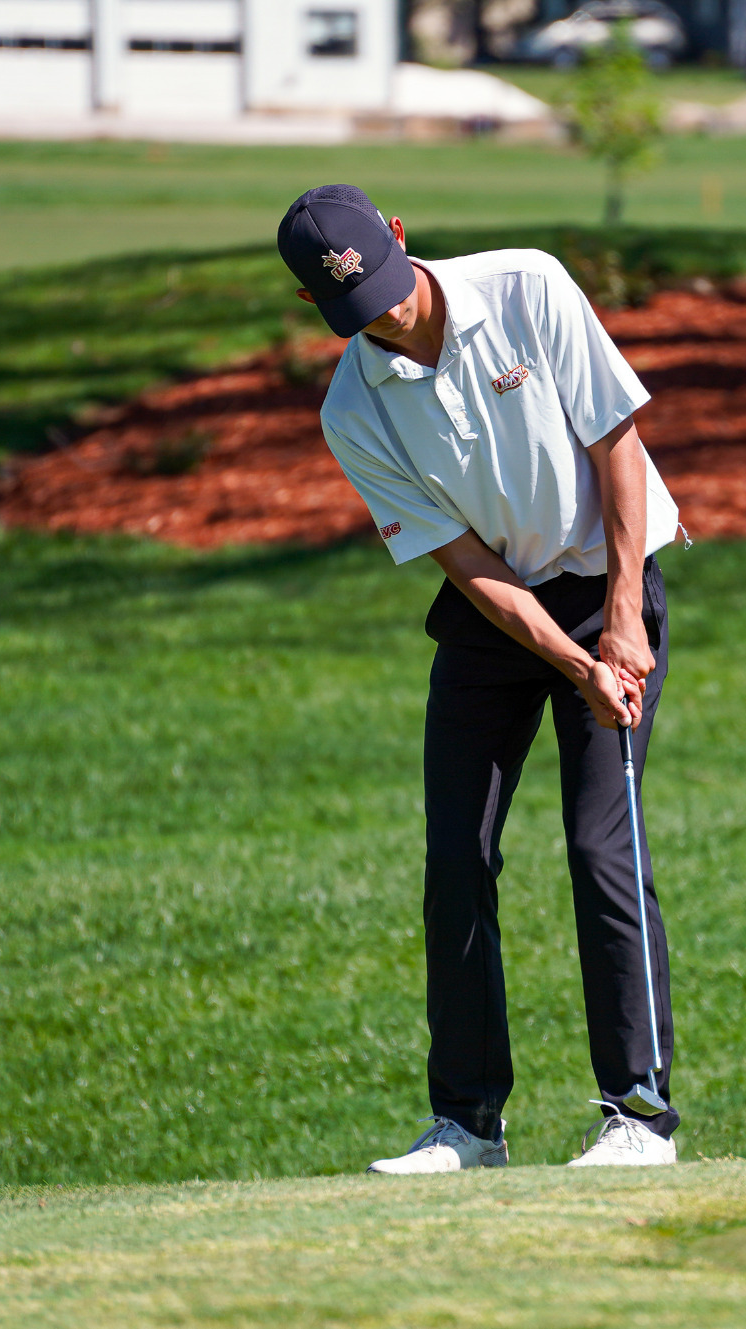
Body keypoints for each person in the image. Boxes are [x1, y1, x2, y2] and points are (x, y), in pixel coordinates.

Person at [277, 185, 685, 1171]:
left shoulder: (526, 287)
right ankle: (467, 1125)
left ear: (401, 240)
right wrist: (569, 662)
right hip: (494, 619)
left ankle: (637, 1118)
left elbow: (617, 451)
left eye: (384, 286)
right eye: (353, 309)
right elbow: (468, 568)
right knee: (455, 856)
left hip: (609, 582)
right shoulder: (352, 408)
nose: (383, 316)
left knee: (600, 845)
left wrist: (620, 626)